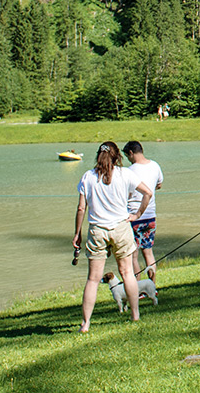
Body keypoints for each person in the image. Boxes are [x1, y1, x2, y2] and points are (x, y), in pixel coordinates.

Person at [74, 141, 154, 332]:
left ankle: (86, 323)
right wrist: (137, 215)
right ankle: (135, 314)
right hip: (121, 228)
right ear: (117, 156)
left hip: (97, 230)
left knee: (93, 279)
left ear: (98, 156)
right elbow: (148, 193)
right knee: (127, 273)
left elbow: (81, 208)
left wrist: (77, 234)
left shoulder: (88, 176)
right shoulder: (125, 174)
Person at [122, 141, 164, 283]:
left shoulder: (129, 171)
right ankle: (152, 286)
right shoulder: (155, 166)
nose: (129, 159)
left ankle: (136, 287)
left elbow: (125, 192)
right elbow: (159, 184)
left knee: (133, 256)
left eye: (128, 156)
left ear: (131, 153)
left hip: (133, 216)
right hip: (150, 215)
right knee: (148, 253)